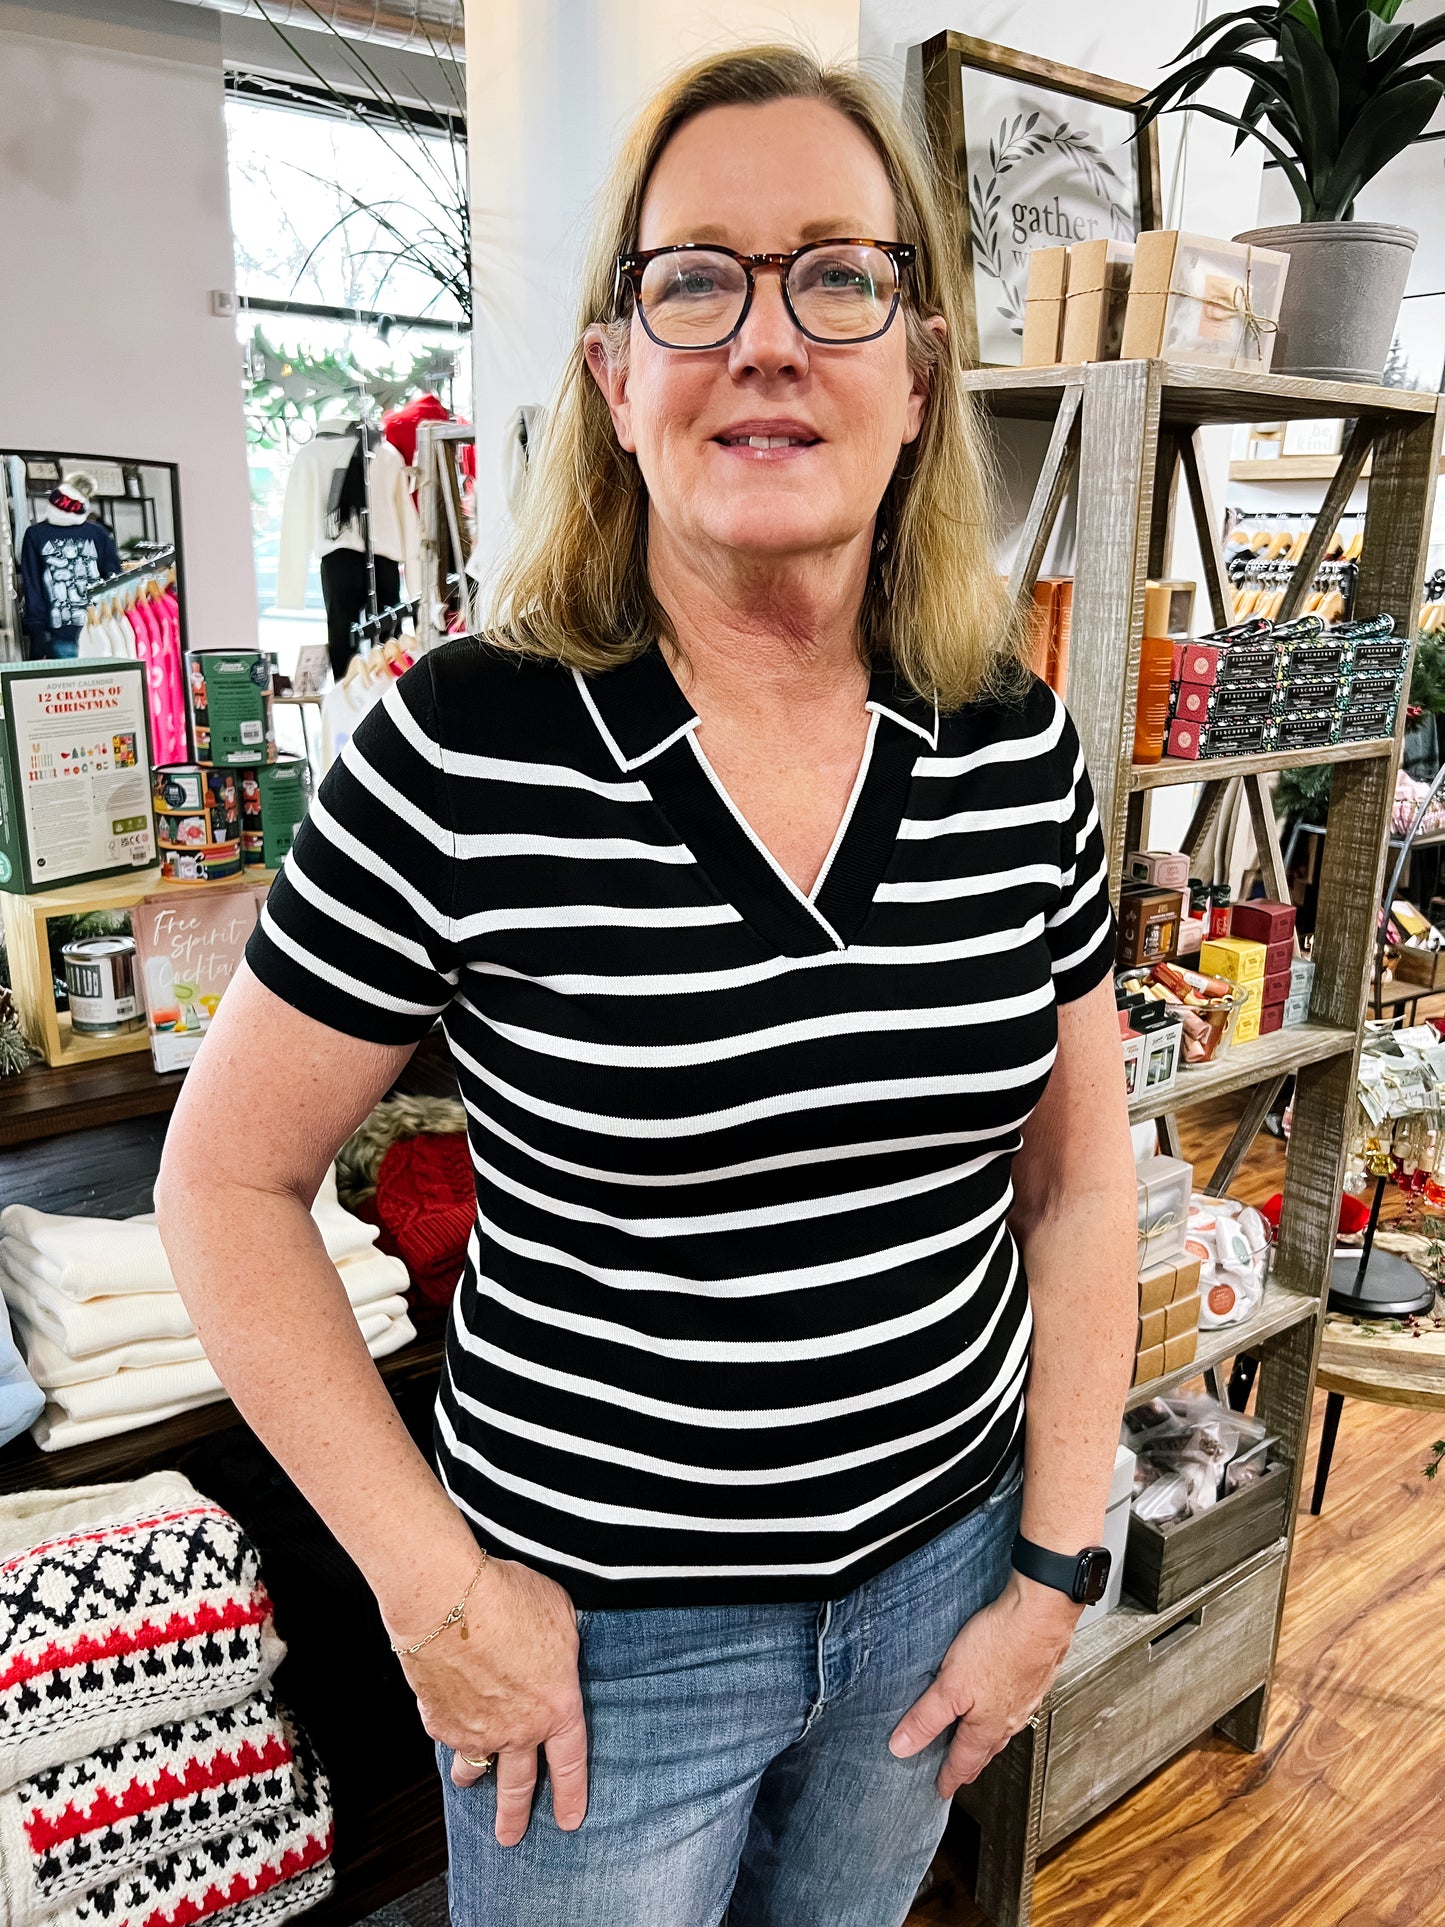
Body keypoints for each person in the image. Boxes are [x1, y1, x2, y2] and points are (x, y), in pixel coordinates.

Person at [155, 45, 1136, 1927]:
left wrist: (1051, 1575)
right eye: (695, 279)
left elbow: (1079, 1179)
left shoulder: (1012, 742)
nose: (769, 338)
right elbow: (221, 1186)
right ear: (615, 375)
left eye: (837, 275)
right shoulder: (464, 747)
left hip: (937, 1594)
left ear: (918, 370)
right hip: (593, 1660)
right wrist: (435, 1597)